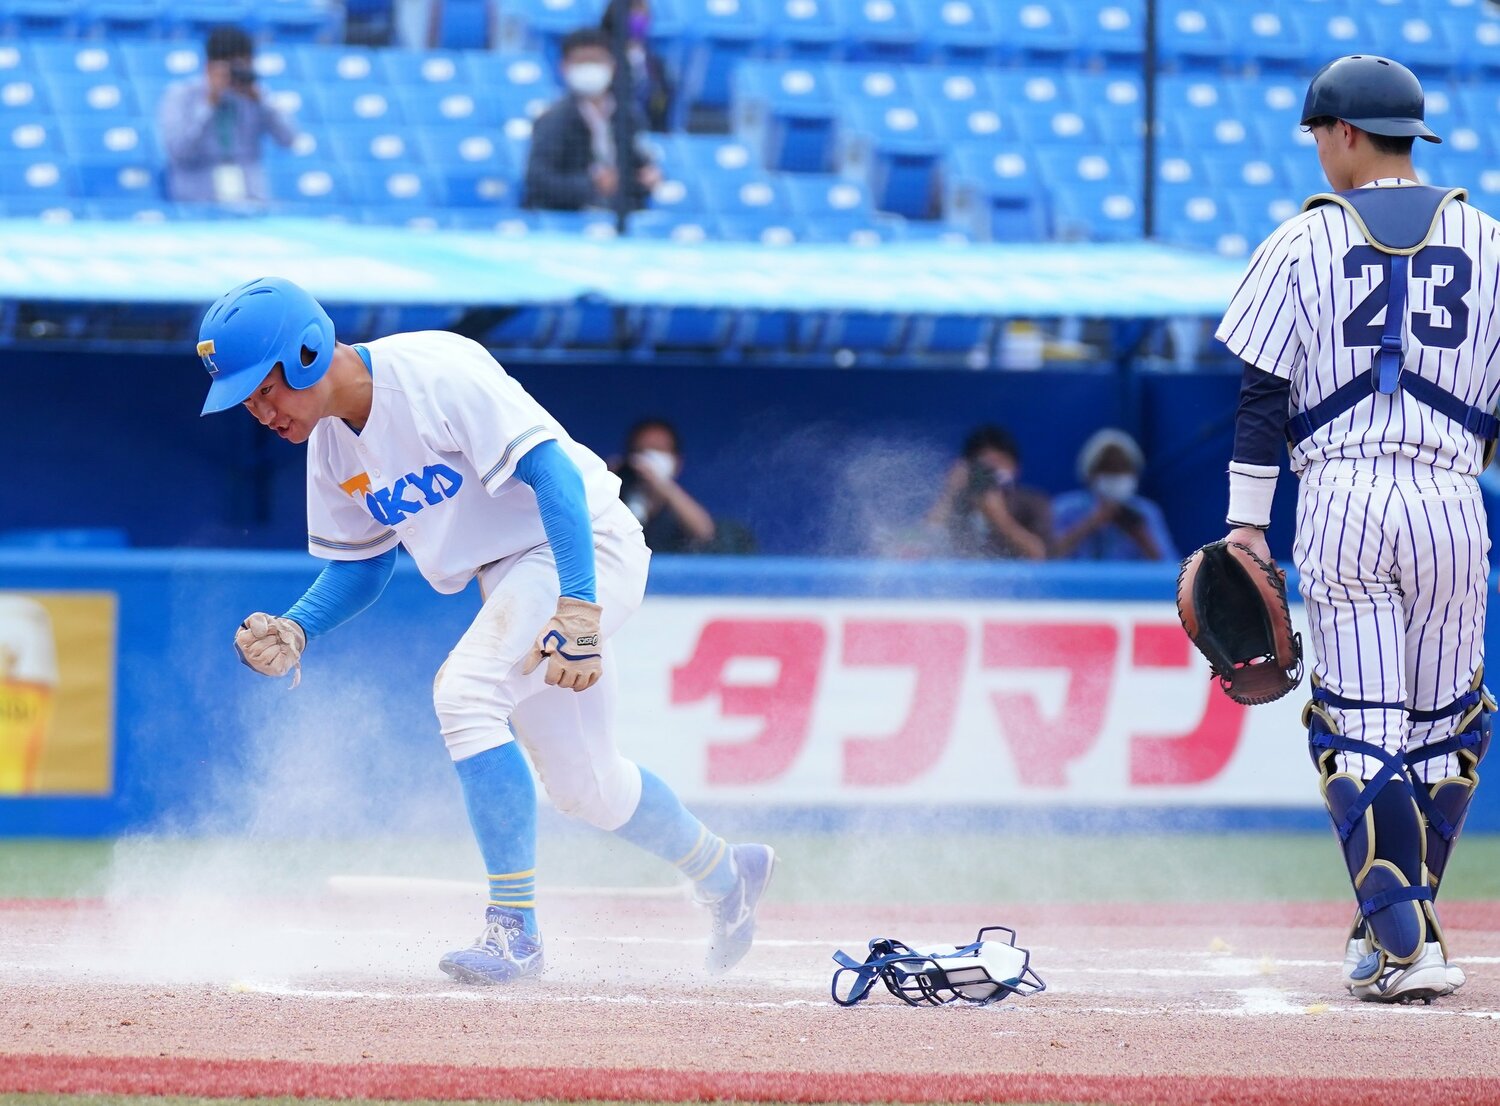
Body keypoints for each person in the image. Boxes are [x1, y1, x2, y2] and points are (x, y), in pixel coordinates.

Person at [194, 277, 774, 984]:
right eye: (245, 398)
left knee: (465, 695)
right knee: (587, 785)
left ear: (310, 351)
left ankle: (514, 932)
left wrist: (580, 605)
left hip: (582, 544)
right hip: (512, 577)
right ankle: (726, 874)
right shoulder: (330, 450)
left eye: (262, 388)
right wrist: (299, 626)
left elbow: (551, 470)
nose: (257, 410)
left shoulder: (434, 371)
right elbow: (362, 567)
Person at [1216, 55, 1499, 1004]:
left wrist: (1247, 527)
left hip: (1344, 497)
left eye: (1320, 136)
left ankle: (1403, 942)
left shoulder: (1302, 242)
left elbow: (1262, 396)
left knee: (1358, 731)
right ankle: (1393, 933)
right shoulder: (1489, 241)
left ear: (1342, 134)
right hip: (1455, 501)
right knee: (1444, 729)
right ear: (1411, 139)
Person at [523, 28, 661, 212]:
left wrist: (647, 177)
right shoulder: (553, 120)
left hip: (619, 216)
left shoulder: (627, 116)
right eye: (581, 61)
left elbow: (638, 162)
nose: (589, 67)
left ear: (612, 65)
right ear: (564, 67)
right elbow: (538, 179)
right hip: (567, 219)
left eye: (596, 60)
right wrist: (591, 185)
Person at [157, 26, 297, 205]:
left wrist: (263, 101)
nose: (235, 74)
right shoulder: (181, 95)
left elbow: (289, 140)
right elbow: (178, 151)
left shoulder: (255, 95)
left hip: (250, 197)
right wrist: (209, 103)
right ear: (209, 67)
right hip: (197, 198)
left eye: (244, 65)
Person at [1050, 429, 1177, 562]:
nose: (1116, 474)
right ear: (1090, 473)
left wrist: (1140, 535)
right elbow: (1048, 558)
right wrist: (1089, 524)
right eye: (1107, 467)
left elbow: (1169, 566)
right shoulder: (1065, 508)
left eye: (1123, 468)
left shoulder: (1145, 512)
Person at [926, 425, 1050, 560]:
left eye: (1000, 461)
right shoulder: (957, 502)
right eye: (985, 464)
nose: (992, 470)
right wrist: (950, 493)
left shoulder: (1032, 502)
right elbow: (921, 541)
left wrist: (999, 517)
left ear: (1016, 468)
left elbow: (1043, 556)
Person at [613, 418, 716, 553]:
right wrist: (607, 481)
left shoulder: (678, 509)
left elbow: (705, 533)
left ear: (677, 461)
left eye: (658, 450)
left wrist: (660, 484)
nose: (647, 460)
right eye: (641, 451)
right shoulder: (615, 498)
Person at [601, 0, 673, 132]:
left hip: (648, 130)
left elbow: (662, 103)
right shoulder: (602, 57)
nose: (639, 16)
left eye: (644, 11)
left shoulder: (655, 64)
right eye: (634, 9)